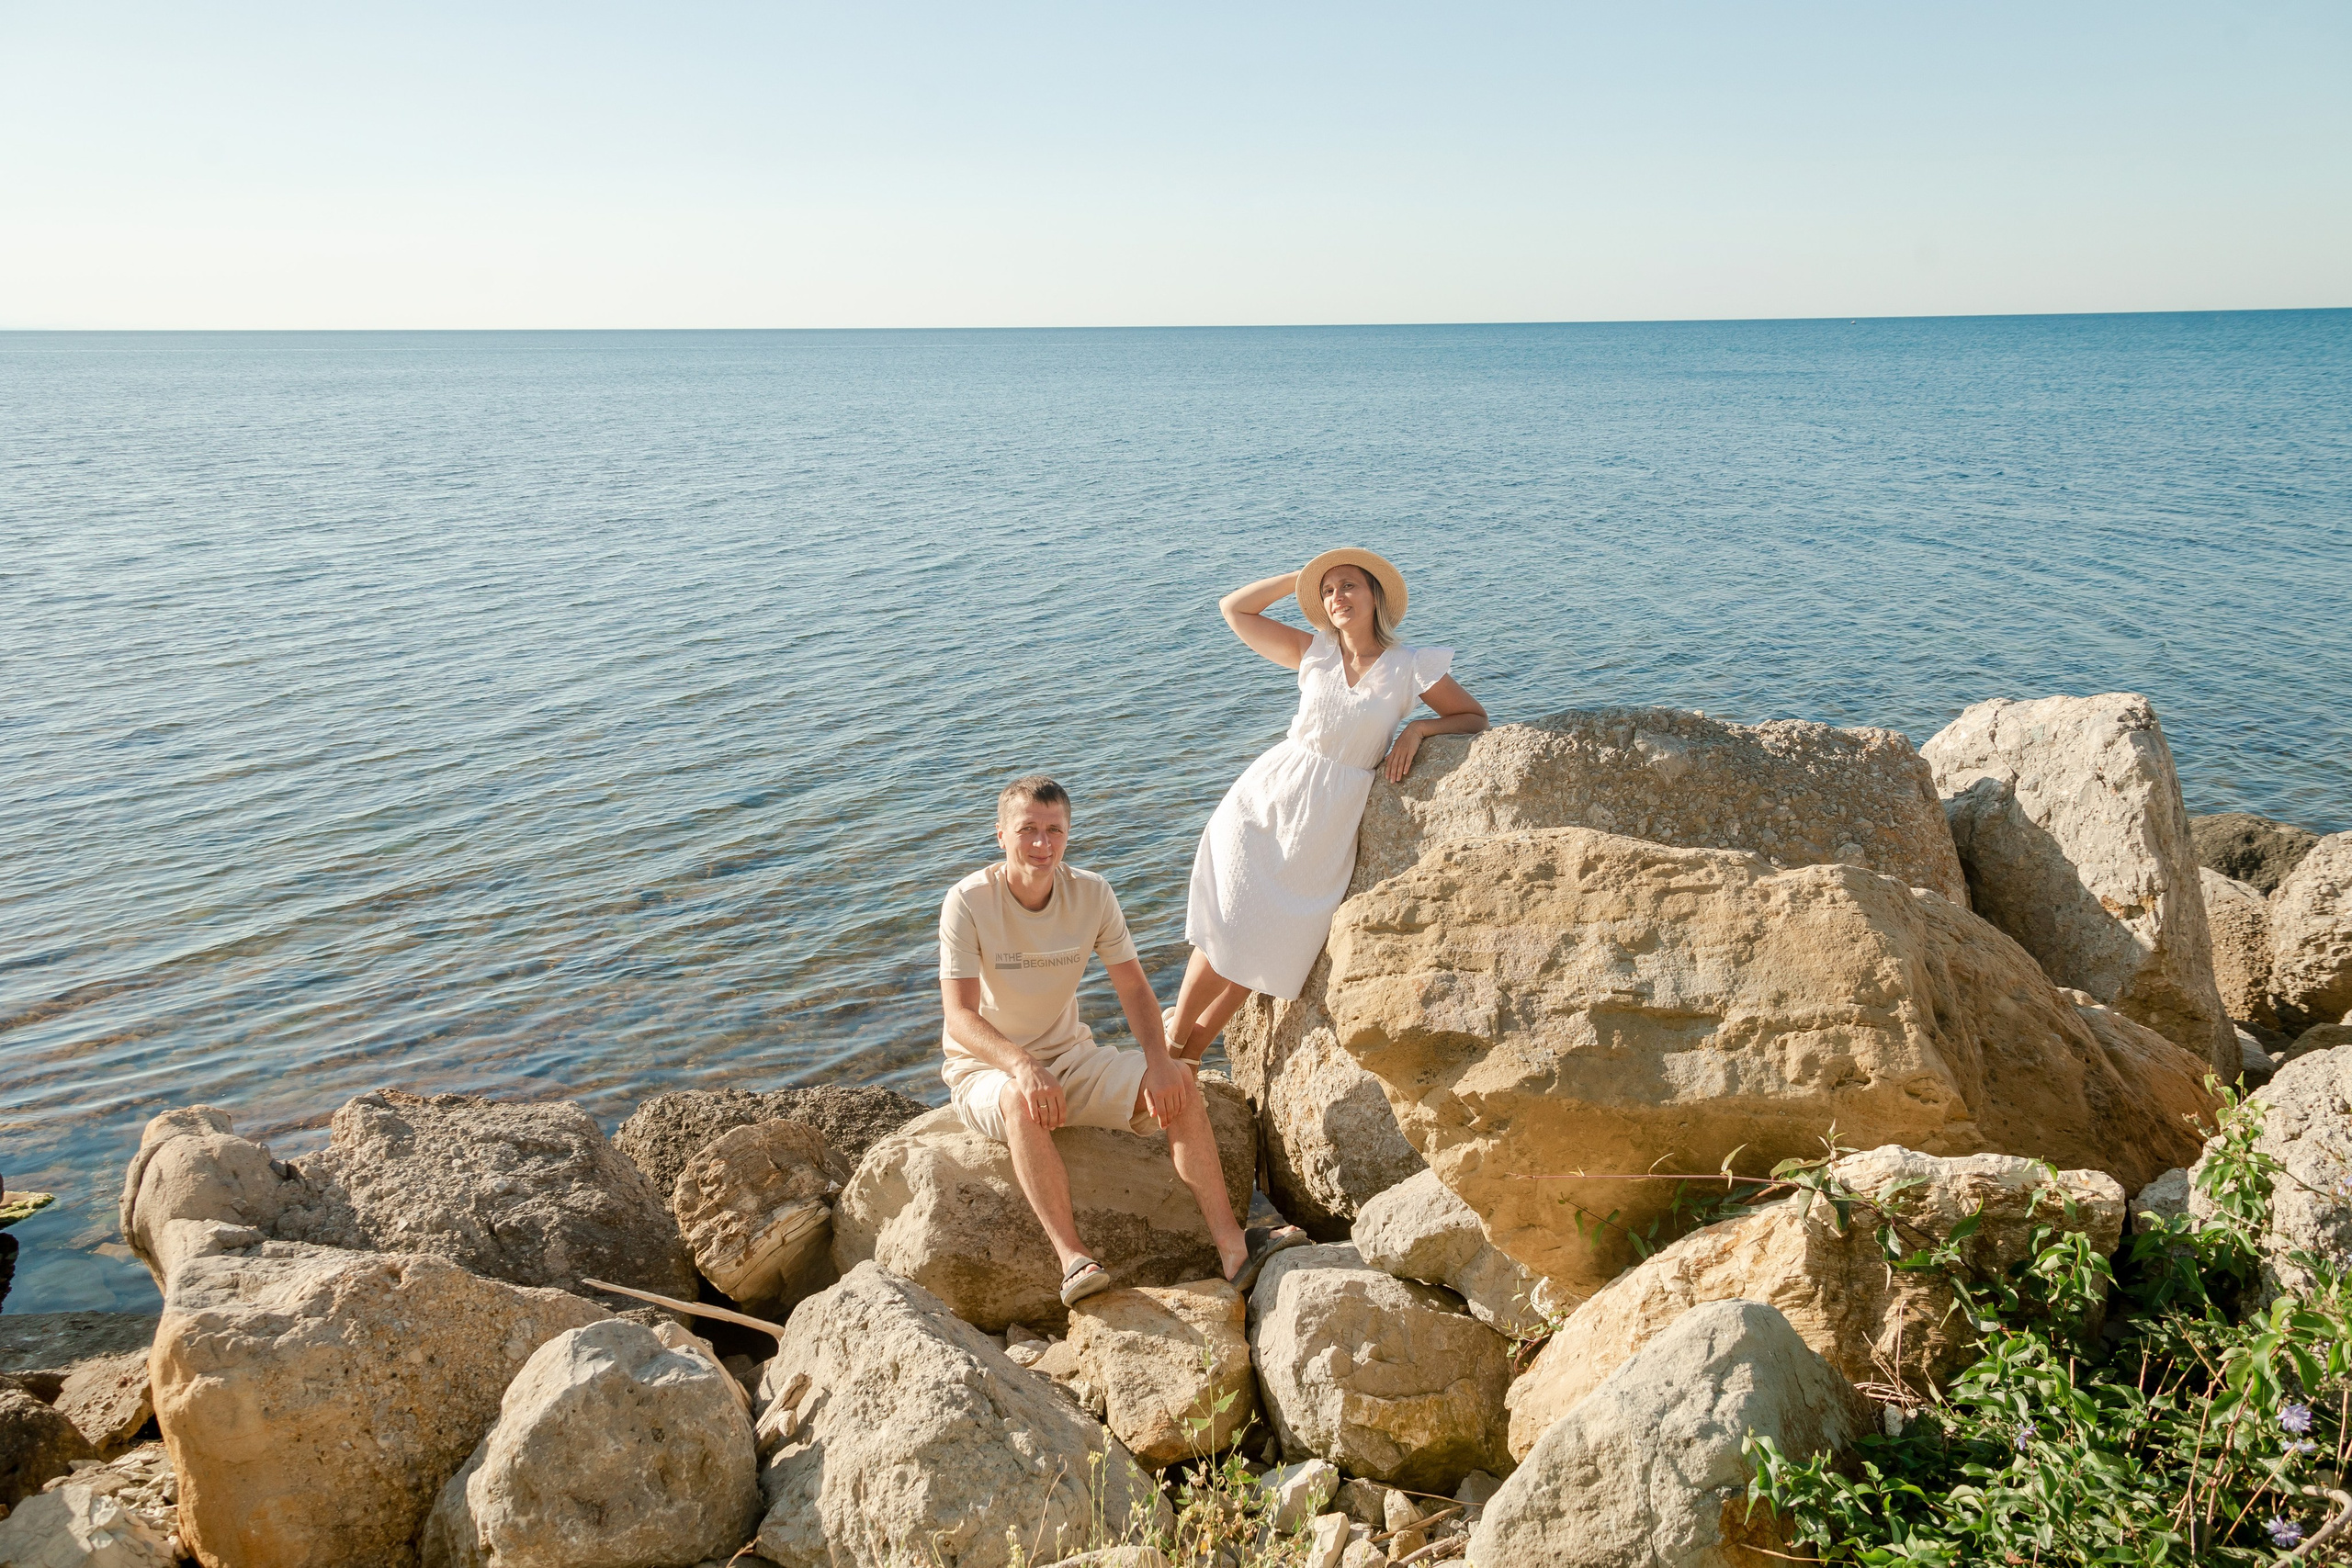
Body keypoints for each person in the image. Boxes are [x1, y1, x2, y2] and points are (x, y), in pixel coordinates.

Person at [939, 774, 1306, 1306]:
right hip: (989, 1070)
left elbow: (1133, 988)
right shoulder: (968, 901)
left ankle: (1233, 1249)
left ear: (1068, 834)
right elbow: (958, 1017)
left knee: (1179, 1084)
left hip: (1071, 1057)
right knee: (1020, 1100)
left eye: (1054, 830)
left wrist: (1159, 1061)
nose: (1042, 843)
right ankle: (1073, 1260)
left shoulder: (1091, 893)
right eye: (1028, 830)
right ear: (1001, 835)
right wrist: (1021, 1065)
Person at [1168, 549, 1488, 1057]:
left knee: (1272, 941)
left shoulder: (1411, 666)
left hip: (1329, 822)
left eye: (1349, 585)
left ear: (1375, 595)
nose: (1337, 597)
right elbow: (1234, 609)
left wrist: (1419, 729)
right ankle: (1171, 1047)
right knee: (1229, 925)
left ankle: (1189, 1055)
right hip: (1266, 803)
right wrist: (1303, 576)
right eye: (1328, 590)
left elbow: (1473, 717)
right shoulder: (1313, 651)